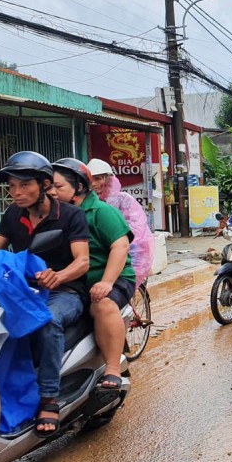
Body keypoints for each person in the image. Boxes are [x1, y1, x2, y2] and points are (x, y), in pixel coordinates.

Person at [0, 151, 90, 438]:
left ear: (44, 184)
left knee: (46, 321)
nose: (16, 193)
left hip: (65, 292)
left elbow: (82, 261)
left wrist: (59, 275)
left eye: (24, 185)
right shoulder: (13, 215)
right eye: (11, 187)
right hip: (24, 291)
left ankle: (48, 399)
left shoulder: (70, 215)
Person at [50, 158, 136, 396]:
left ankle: (112, 368)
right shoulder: (54, 215)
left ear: (78, 187)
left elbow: (120, 247)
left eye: (58, 187)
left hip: (113, 277)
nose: (52, 192)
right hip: (72, 283)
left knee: (103, 304)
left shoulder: (102, 212)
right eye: (50, 187)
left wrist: (106, 282)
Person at [87, 158, 154, 287]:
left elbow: (136, 228)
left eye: (98, 179)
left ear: (108, 179)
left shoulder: (123, 199)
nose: (94, 184)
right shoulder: (85, 202)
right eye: (91, 180)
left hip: (127, 250)